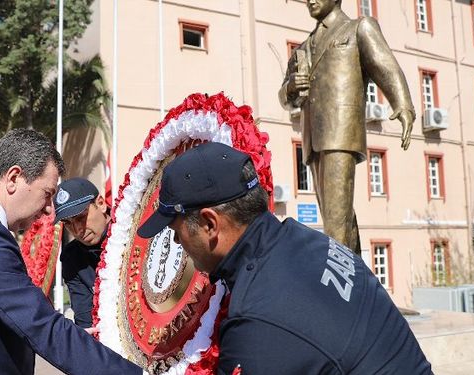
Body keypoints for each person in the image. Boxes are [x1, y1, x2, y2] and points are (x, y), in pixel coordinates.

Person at [137, 142, 432, 374]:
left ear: (210, 224)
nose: (176, 241)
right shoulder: (303, 240)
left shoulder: (258, 321)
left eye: (176, 229)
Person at [0, 129, 141, 375]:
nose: (48, 209)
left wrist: (75, 338)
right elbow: (40, 325)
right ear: (13, 178)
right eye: (47, 194)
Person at [278, 0, 415, 253]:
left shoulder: (358, 28)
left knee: (335, 223)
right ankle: (355, 276)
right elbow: (285, 98)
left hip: (341, 134)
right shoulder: (304, 46)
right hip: (313, 140)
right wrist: (291, 88)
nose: (310, 0)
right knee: (339, 218)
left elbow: (386, 66)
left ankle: (337, 287)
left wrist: (403, 104)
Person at [53, 178, 110, 328]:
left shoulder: (133, 234)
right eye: (68, 223)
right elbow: (86, 321)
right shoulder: (71, 257)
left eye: (81, 218)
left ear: (101, 204)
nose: (77, 230)